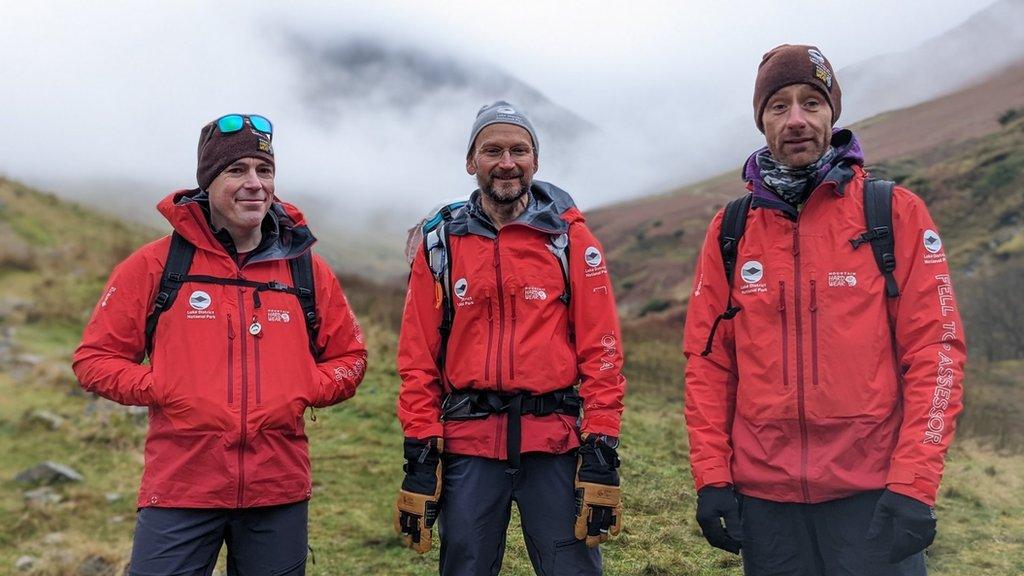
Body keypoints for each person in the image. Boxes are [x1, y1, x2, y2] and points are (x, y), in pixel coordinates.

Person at [683, 45, 966, 575]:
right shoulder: (731, 229)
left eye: (811, 103)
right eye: (778, 105)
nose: (796, 120)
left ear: (832, 114)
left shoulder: (893, 213)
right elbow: (709, 365)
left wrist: (914, 483)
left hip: (874, 498)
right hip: (766, 505)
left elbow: (937, 354)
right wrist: (712, 477)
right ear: (761, 120)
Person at [73, 114, 368, 575]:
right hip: (181, 485)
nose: (254, 184)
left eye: (264, 171)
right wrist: (163, 386)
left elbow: (351, 358)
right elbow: (93, 360)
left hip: (278, 488)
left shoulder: (306, 269)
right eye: (237, 171)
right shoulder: (155, 265)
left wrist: (307, 384)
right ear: (208, 181)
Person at [394, 101, 627, 575]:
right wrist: (420, 452)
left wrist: (601, 448)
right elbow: (418, 358)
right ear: (470, 162)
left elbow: (602, 352)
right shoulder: (440, 246)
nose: (506, 162)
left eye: (519, 150)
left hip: (555, 444)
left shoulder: (570, 239)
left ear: (535, 161)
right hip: (470, 446)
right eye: (492, 150)